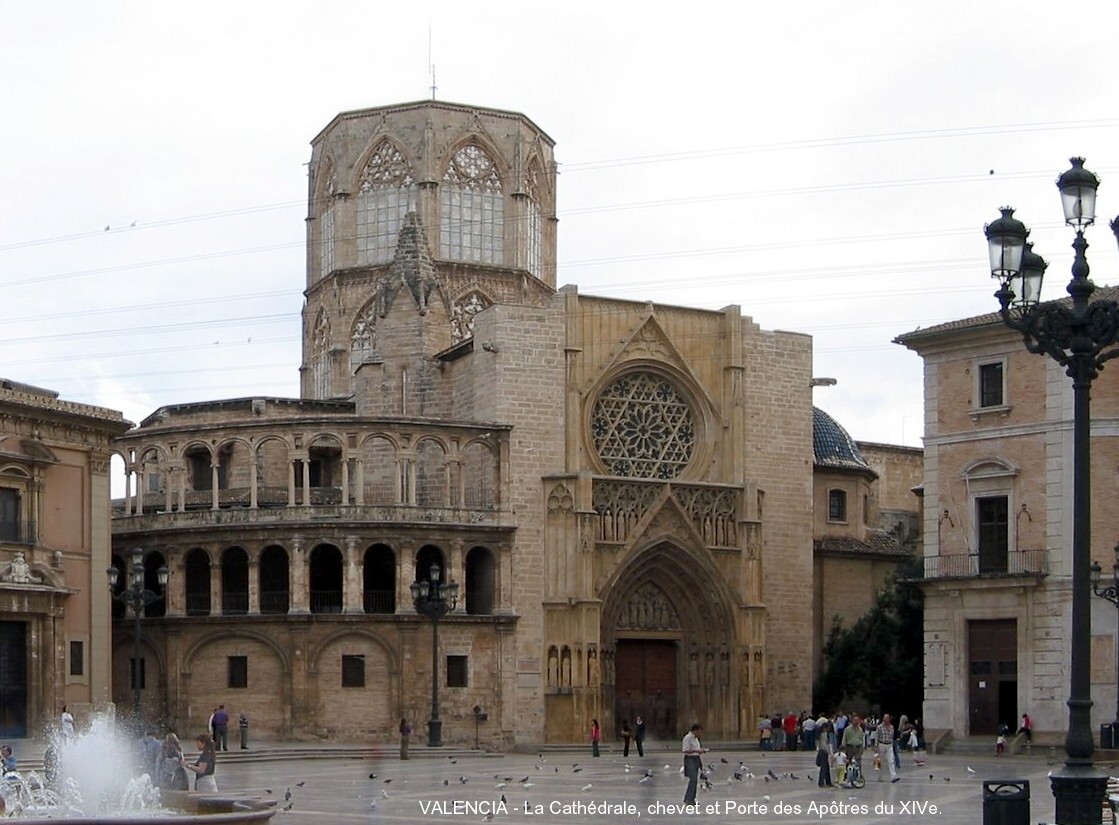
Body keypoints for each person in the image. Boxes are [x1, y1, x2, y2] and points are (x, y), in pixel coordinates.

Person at [681, 724, 707, 806]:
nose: (700, 734)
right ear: (695, 730)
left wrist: (699, 751)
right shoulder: (688, 738)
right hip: (690, 759)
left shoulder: (696, 739)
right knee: (693, 779)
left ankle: (691, 798)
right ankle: (688, 799)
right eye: (699, 732)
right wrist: (697, 751)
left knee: (695, 779)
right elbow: (685, 750)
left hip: (696, 759)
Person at [875, 713, 899, 782]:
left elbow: (892, 736)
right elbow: (877, 736)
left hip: (889, 745)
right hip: (881, 744)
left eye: (887, 718)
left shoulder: (891, 727)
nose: (886, 720)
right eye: (885, 718)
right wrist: (876, 746)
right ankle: (880, 776)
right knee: (881, 761)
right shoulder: (879, 727)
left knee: (891, 760)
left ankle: (893, 776)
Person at [815, 722, 834, 787]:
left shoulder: (821, 734)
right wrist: (829, 752)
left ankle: (828, 782)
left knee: (826, 768)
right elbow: (824, 745)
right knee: (824, 768)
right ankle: (822, 782)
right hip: (823, 752)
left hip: (823, 751)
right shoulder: (823, 734)